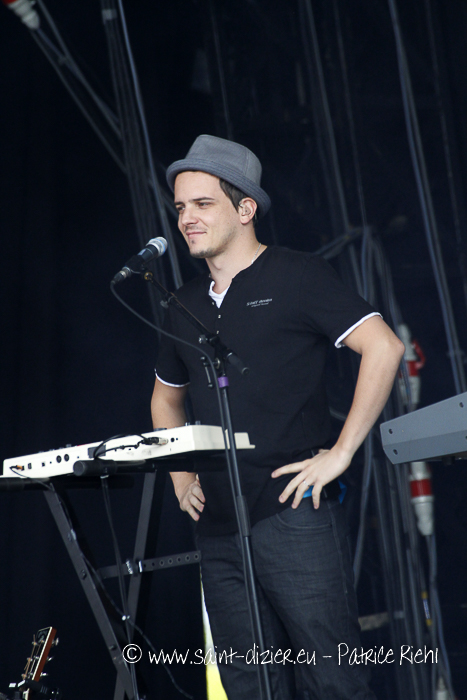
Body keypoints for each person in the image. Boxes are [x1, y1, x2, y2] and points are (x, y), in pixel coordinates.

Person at [151, 135, 405, 699]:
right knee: (248, 684)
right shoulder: (183, 303)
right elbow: (165, 400)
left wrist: (341, 452)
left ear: (246, 208)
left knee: (332, 677)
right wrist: (181, 478)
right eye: (181, 207)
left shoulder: (298, 275)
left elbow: (383, 347)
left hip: (293, 513)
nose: (187, 218)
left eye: (203, 204)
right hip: (218, 527)